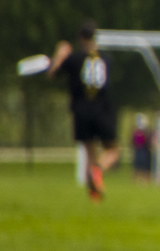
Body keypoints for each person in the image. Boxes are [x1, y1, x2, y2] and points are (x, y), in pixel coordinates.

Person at [48, 19, 119, 201]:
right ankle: (97, 173)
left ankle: (94, 192)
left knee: (89, 152)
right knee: (112, 151)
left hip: (80, 111)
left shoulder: (74, 59)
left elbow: (52, 73)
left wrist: (60, 54)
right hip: (101, 109)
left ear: (80, 37)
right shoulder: (107, 59)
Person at [131, 113, 154, 183]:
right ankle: (136, 180)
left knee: (145, 166)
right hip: (139, 150)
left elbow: (148, 141)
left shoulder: (147, 132)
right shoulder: (136, 132)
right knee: (137, 166)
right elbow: (133, 141)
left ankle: (146, 180)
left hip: (145, 150)